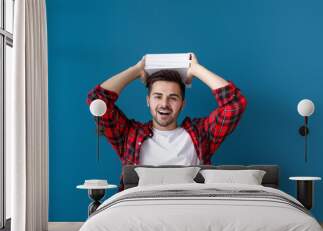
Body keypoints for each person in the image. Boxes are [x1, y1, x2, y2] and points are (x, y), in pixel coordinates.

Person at [87, 53, 247, 191]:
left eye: (173, 98)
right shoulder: (130, 135)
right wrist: (135, 71)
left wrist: (196, 70)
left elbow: (235, 105)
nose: (164, 104)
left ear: (183, 104)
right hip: (140, 212)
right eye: (158, 96)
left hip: (190, 211)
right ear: (148, 100)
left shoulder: (201, 133)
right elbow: (97, 102)